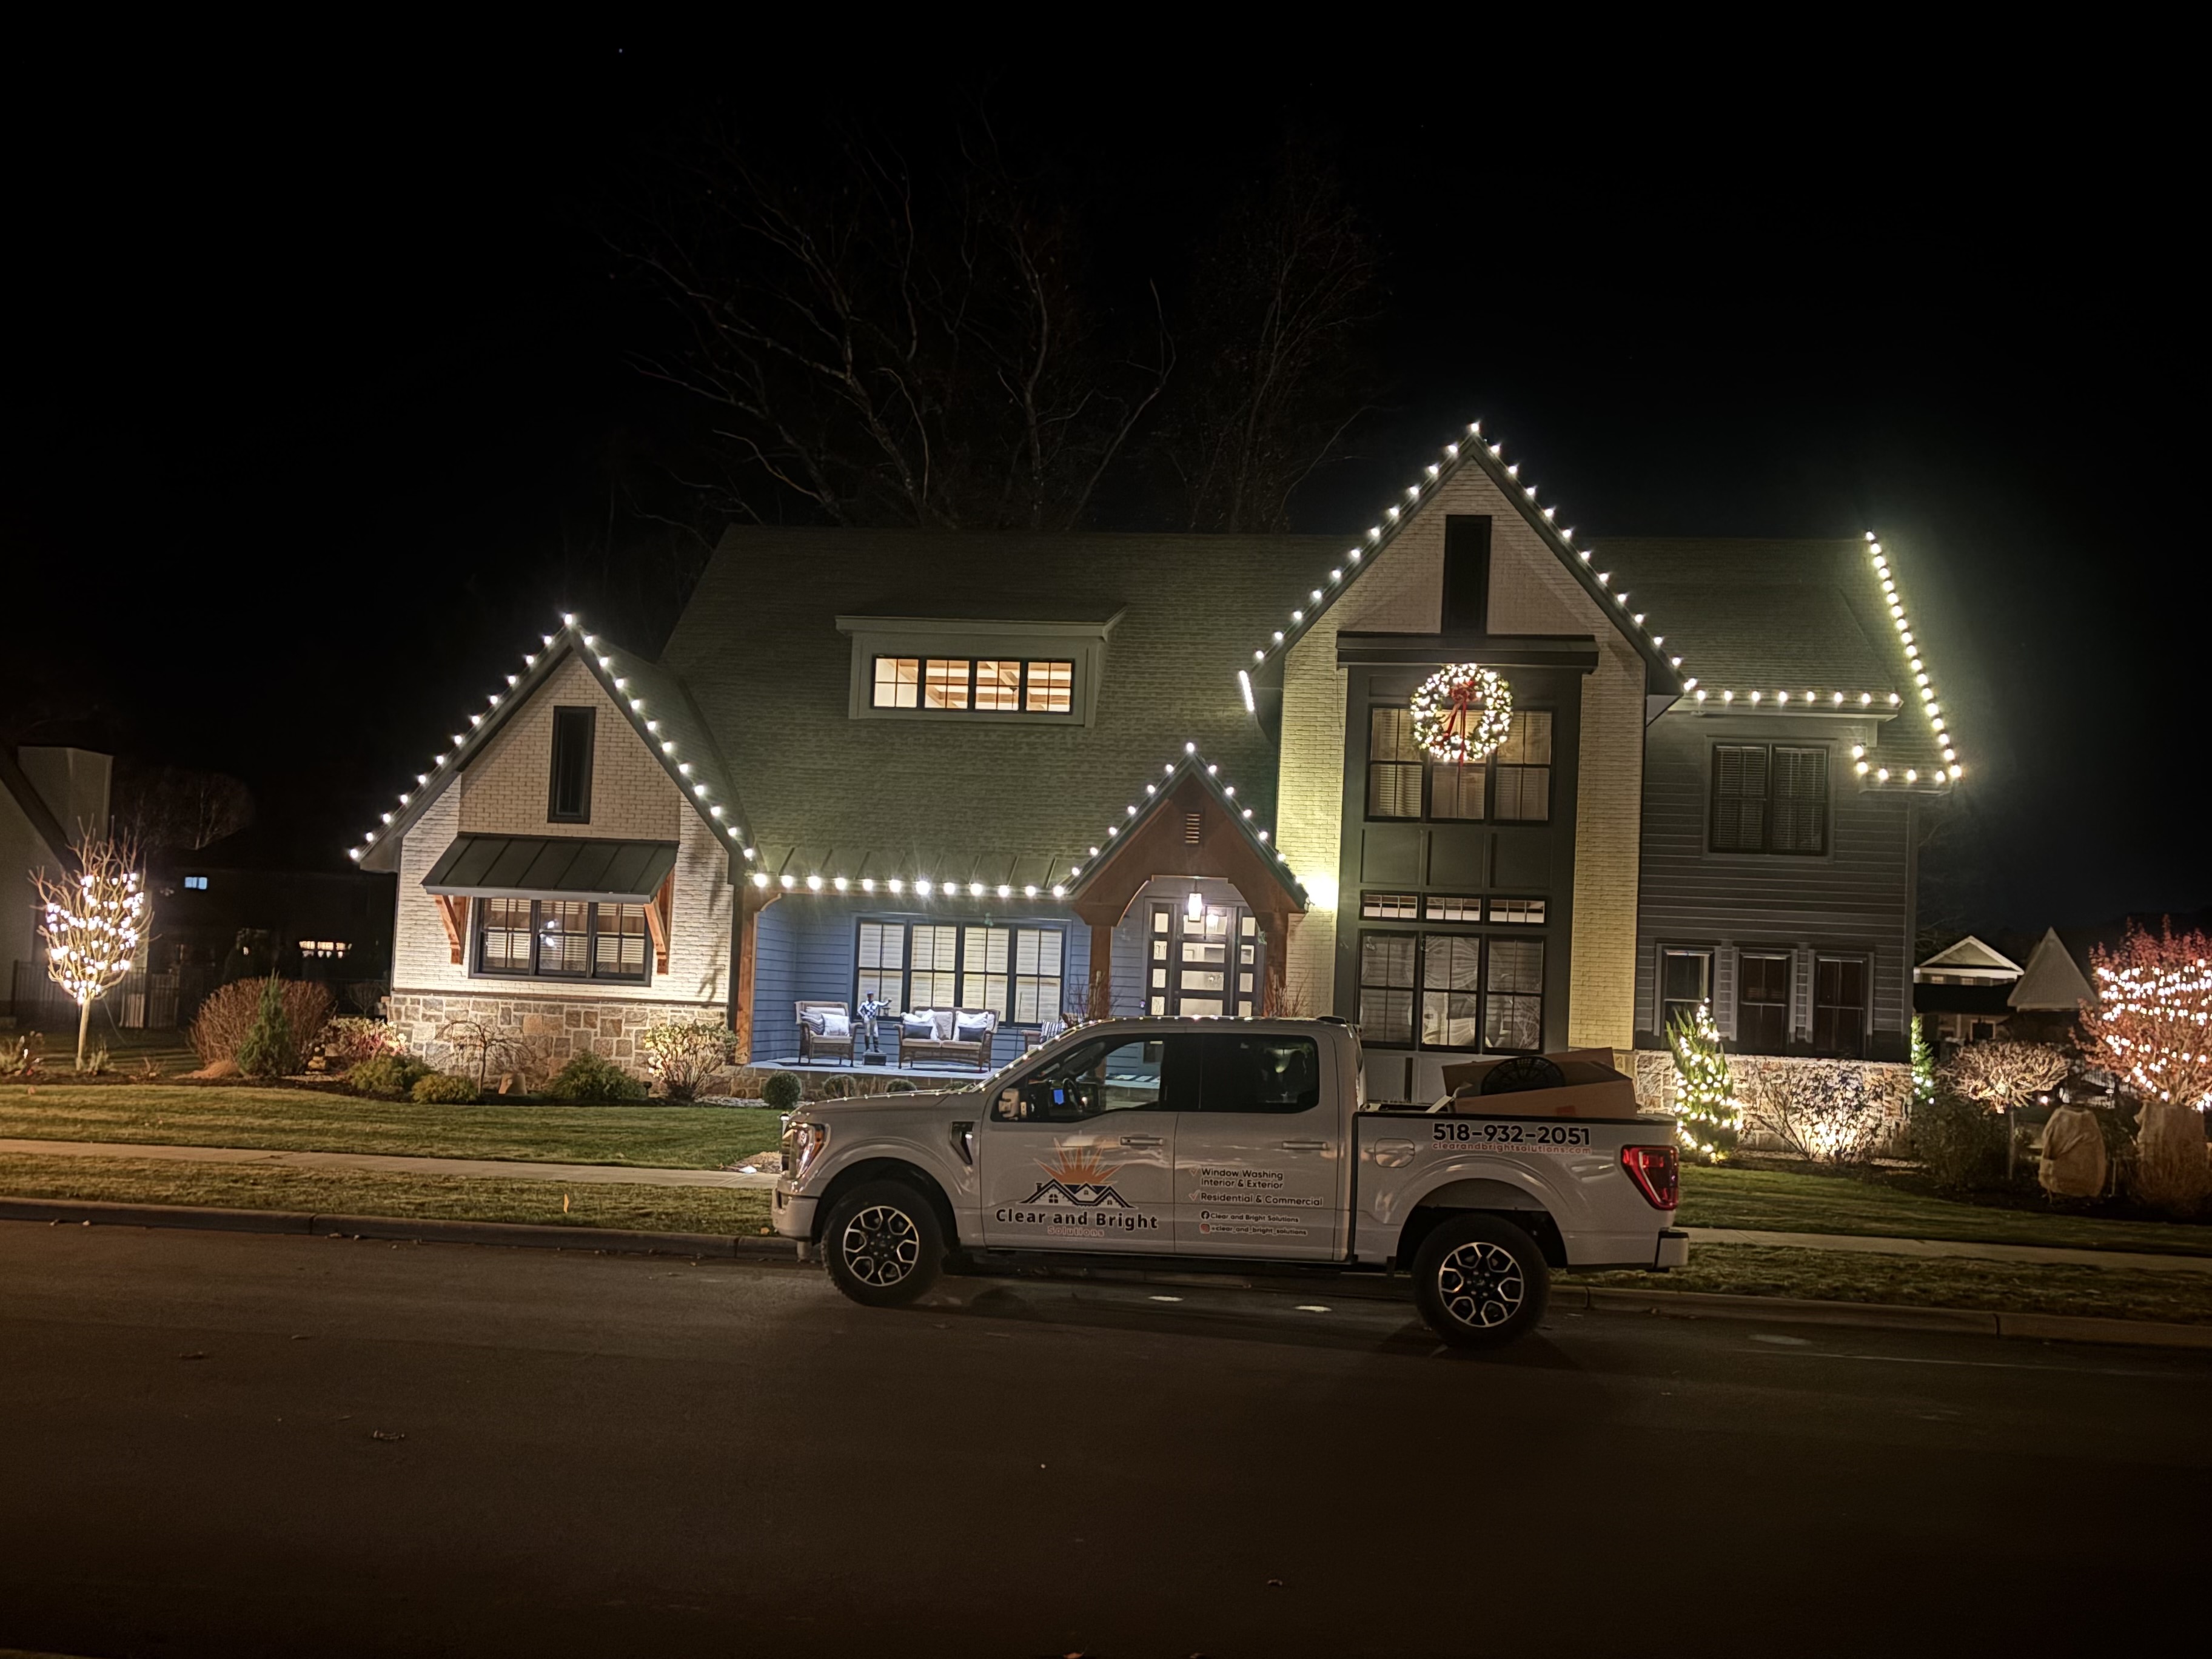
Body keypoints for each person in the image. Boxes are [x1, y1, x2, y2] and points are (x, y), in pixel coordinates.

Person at [2038, 1101, 2107, 1199]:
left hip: (2058, 1177)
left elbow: (2047, 1141)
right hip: (2085, 1181)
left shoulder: (2059, 1117)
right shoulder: (2089, 1121)